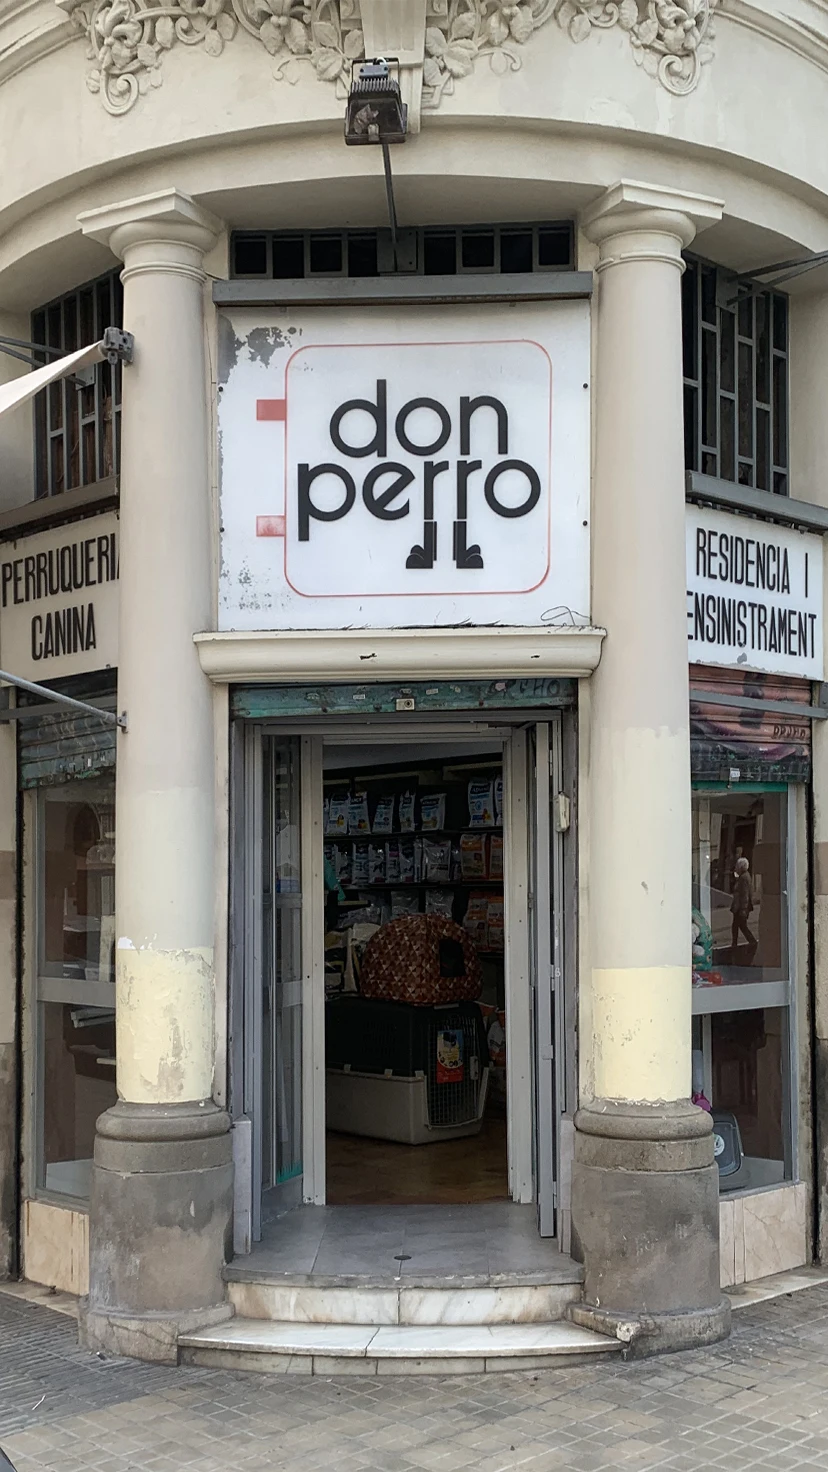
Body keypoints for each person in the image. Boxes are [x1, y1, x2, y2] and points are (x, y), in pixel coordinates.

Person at [730, 856, 757, 962]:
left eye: (737, 866)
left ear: (741, 867)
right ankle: (735, 943)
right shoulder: (743, 877)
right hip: (739, 907)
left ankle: (751, 942)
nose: (736, 868)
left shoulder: (744, 878)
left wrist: (743, 909)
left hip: (740, 907)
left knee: (740, 926)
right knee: (737, 926)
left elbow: (745, 894)